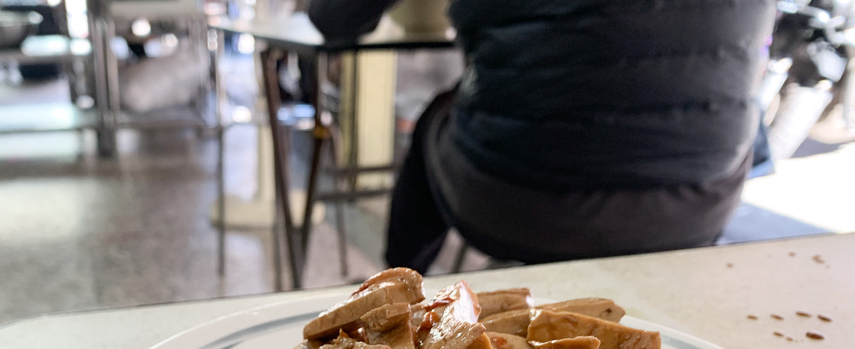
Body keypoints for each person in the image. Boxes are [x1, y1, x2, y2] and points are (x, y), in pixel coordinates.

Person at [307, 0, 777, 273]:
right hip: (700, 207)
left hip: (524, 205)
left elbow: (334, 17)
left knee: (438, 116)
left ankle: (394, 303)